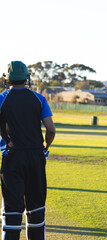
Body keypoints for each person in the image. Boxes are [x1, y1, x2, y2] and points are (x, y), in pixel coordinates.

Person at [0, 61, 56, 240]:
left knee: (12, 210)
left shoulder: (2, 98)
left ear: (7, 79)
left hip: (12, 156)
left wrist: (3, 146)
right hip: (35, 157)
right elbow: (51, 129)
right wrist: (45, 147)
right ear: (27, 78)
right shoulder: (39, 98)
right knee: (36, 208)